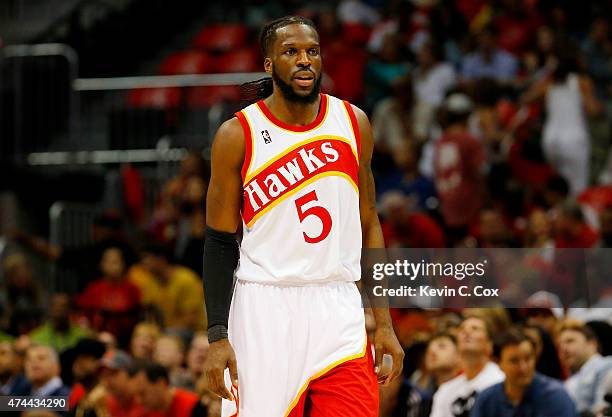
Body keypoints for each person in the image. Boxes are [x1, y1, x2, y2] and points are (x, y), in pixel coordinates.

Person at [201, 15, 403, 417]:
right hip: (264, 307)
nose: (304, 60)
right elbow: (219, 241)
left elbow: (369, 223)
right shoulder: (237, 135)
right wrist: (217, 336)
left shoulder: (353, 123)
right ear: (269, 64)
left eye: (312, 51)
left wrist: (384, 322)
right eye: (290, 52)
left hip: (338, 301)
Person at [471, 328, 577, 417]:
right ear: (498, 363)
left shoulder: (555, 396)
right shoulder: (486, 400)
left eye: (528, 358)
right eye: (514, 361)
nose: (523, 368)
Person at [429, 316, 505, 417]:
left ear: (489, 344)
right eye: (462, 329)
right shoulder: (445, 391)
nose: (467, 332)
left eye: (475, 328)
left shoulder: (501, 381)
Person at [128, 244, 205, 332]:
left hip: (192, 332)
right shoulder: (149, 282)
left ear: (161, 259)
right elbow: (149, 314)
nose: (143, 263)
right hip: (163, 331)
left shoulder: (186, 279)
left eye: (147, 259)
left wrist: (164, 331)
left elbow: (190, 320)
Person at [557, 319, 612, 414]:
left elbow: (603, 410)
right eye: (559, 345)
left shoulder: (606, 366)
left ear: (592, 344)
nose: (563, 349)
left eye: (570, 341)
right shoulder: (569, 380)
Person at [132, 362, 206, 417]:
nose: (139, 400)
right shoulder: (144, 412)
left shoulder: (193, 406)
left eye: (142, 393)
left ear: (161, 384)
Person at [99, 349, 145, 417]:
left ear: (129, 374)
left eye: (113, 373)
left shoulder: (145, 403)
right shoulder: (106, 403)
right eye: (104, 375)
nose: (108, 380)